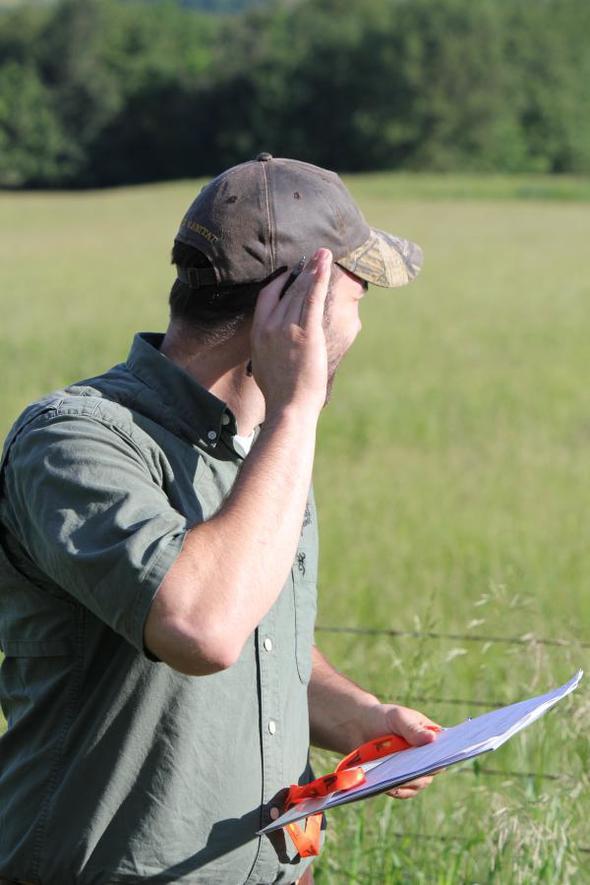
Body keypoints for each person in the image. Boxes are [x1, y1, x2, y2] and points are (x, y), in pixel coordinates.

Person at [0, 154, 439, 885]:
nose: (361, 321)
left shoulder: (264, 445)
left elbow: (261, 641)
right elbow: (201, 626)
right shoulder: (75, 441)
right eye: (357, 292)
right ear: (300, 300)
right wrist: (297, 407)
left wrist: (359, 715)